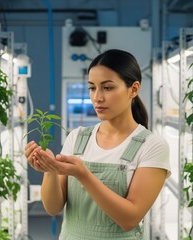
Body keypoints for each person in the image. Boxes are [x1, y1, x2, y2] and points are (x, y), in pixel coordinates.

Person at [25, 49, 171, 239]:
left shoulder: (152, 145)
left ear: (133, 89)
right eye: (92, 88)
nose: (97, 97)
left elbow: (130, 218)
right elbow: (53, 208)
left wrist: (83, 174)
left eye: (108, 88)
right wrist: (50, 169)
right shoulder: (77, 138)